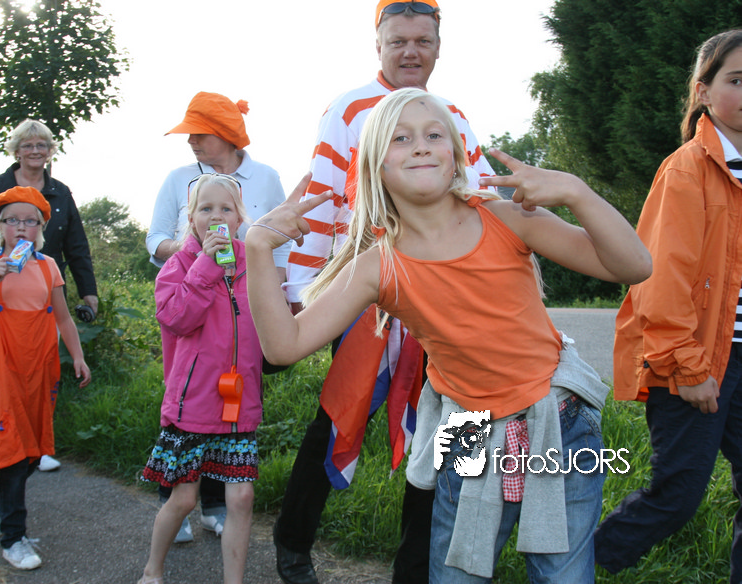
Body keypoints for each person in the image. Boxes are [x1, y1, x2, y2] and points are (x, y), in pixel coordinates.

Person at [246, 88, 651, 582]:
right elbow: (283, 346)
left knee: (562, 575)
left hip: (559, 423)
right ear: (375, 166)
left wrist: (576, 192)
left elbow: (634, 266)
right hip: (467, 434)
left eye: (434, 135)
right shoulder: (378, 266)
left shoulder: (506, 217)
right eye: (400, 139)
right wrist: (258, 247)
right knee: (455, 575)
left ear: (457, 155)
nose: (420, 145)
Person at [275, 2, 493, 583]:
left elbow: (479, 199)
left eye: (423, 40)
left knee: (449, 429)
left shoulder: (454, 116)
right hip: (366, 293)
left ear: (439, 46)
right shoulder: (349, 108)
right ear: (378, 45)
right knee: (340, 414)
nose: (410, 52)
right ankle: (292, 541)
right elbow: (320, 200)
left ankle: (417, 568)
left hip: (444, 299)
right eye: (398, 41)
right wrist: (300, 290)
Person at [594, 29, 742, 581]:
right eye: (737, 80)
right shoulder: (687, 170)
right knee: (677, 494)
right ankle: (574, 568)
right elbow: (659, 279)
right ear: (703, 92)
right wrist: (689, 367)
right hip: (697, 362)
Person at [145, 91, 289, 541]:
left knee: (232, 406)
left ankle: (214, 507)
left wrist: (274, 297)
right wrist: (197, 253)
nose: (190, 141)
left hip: (245, 306)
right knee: (194, 402)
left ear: (226, 135)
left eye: (199, 133)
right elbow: (155, 238)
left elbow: (278, 246)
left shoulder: (265, 178)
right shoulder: (179, 178)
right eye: (189, 134)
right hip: (197, 295)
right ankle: (177, 502)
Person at [0, 186, 91, 570]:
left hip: (40, 365)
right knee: (12, 449)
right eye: (12, 220)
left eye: (30, 221)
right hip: (0, 364)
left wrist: (78, 356)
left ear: (40, 229)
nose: (20, 227)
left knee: (32, 450)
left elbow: (62, 317)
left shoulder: (48, 266)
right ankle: (13, 538)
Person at [138, 174, 264, 584]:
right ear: (191, 218)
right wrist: (206, 266)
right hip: (192, 403)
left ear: (240, 218)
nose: (217, 217)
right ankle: (153, 570)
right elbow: (176, 318)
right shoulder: (176, 267)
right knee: (184, 498)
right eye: (206, 209)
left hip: (239, 401)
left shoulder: (252, 262)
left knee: (241, 497)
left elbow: (271, 319)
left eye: (226, 209)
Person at [0, 119, 98, 472]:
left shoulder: (60, 192)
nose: (35, 151)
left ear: (50, 150)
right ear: (16, 150)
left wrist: (88, 291)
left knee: (39, 374)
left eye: (42, 145)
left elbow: (77, 245)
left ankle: (35, 441)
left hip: (44, 290)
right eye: (28, 145)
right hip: (0, 291)